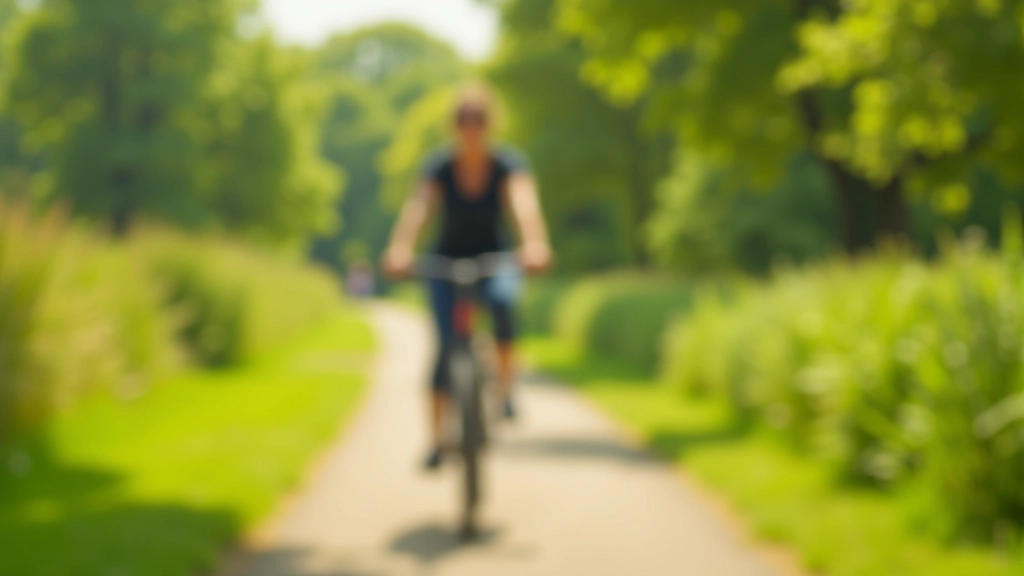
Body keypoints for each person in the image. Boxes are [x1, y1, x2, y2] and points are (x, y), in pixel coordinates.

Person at [382, 82, 553, 470]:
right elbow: (417, 210)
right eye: (463, 119)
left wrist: (535, 245)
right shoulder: (439, 167)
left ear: (490, 124)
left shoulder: (508, 165)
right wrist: (400, 249)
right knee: (445, 347)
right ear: (454, 125)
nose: (471, 127)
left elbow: (525, 207)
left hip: (496, 260)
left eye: (478, 119)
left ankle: (505, 392)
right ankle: (436, 441)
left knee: (503, 305)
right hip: (445, 263)